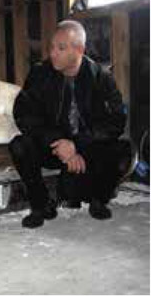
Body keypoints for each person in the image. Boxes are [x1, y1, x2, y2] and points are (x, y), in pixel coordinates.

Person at [9, 19, 132, 229]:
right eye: (52, 47)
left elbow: (116, 121)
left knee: (125, 151)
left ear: (80, 50)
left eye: (61, 48)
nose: (53, 53)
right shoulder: (41, 73)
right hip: (53, 148)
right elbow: (23, 113)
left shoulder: (101, 77)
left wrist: (78, 144)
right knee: (19, 145)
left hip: (87, 149)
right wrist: (57, 140)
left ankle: (98, 199)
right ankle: (40, 204)